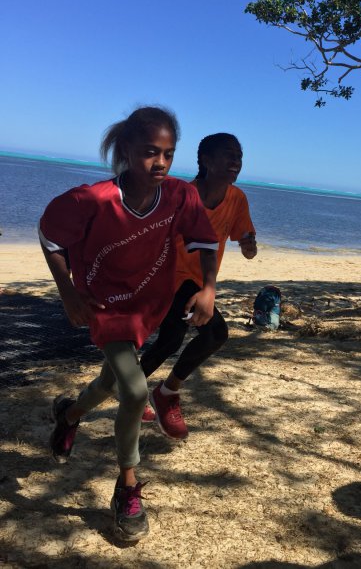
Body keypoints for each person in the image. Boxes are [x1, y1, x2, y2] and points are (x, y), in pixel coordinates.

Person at [39, 106, 218, 542]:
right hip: (103, 306)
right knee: (135, 390)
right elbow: (50, 235)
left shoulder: (179, 196)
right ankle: (127, 488)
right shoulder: (94, 199)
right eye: (150, 152)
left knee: (110, 380)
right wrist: (68, 291)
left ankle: (70, 416)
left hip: (146, 306)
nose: (160, 163)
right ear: (125, 150)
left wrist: (208, 289)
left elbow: (206, 240)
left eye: (168, 154)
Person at [140, 133, 257, 439]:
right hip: (170, 277)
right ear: (206, 160)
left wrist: (249, 246)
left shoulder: (237, 199)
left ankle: (138, 389)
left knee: (171, 341)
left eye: (239, 156)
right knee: (213, 333)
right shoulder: (183, 195)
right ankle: (163, 393)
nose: (236, 161)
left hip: (202, 282)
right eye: (229, 155)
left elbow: (246, 243)